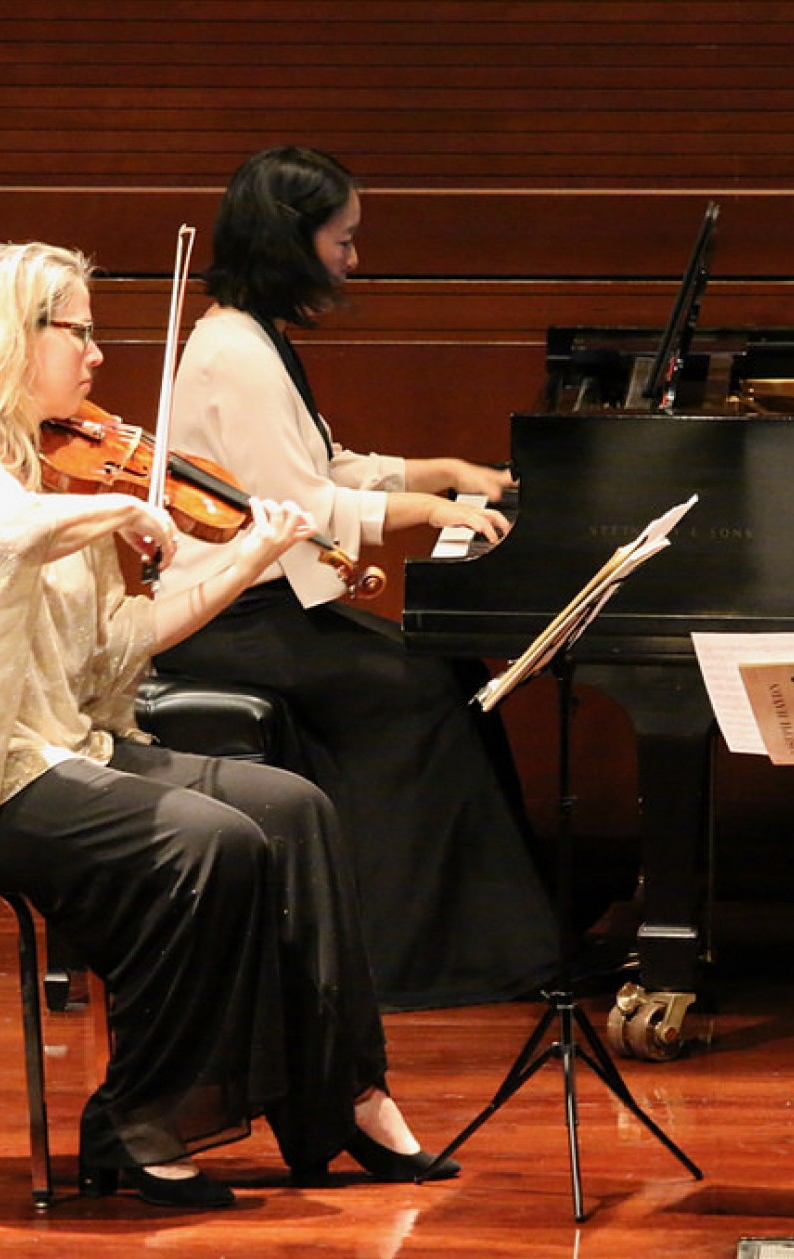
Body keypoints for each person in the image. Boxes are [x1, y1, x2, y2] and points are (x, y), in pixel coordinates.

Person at [0, 241, 458, 1210]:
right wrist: (115, 506)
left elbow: (116, 646)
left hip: (65, 744)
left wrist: (249, 549)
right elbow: (9, 528)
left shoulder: (62, 449)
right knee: (205, 843)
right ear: (11, 332)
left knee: (292, 807)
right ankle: (135, 1112)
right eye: (75, 329)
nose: (96, 353)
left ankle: (343, 1090)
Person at [154, 145, 563, 1010]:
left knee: (445, 670)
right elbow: (296, 501)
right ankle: (413, 955)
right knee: (421, 691)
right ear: (292, 239)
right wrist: (428, 512)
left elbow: (326, 461)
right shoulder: (232, 350)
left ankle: (492, 936)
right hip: (231, 619)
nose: (351, 259)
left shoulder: (252, 336)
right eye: (342, 240)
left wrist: (442, 468)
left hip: (261, 604)